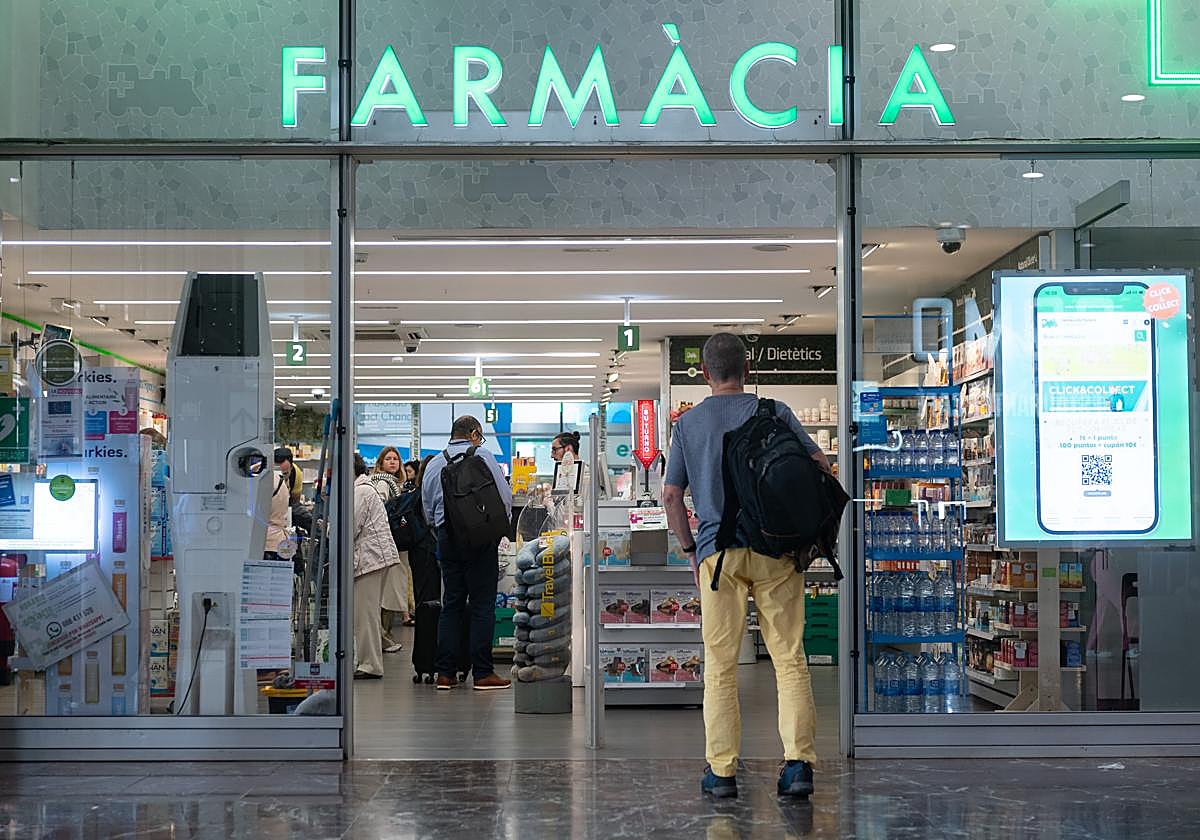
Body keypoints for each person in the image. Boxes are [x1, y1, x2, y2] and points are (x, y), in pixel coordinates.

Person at [661, 332, 830, 801]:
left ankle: (722, 772)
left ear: (703, 374)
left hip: (718, 556)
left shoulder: (688, 425)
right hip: (778, 552)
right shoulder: (775, 412)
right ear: (748, 370)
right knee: (789, 659)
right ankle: (798, 766)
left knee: (719, 665)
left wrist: (691, 548)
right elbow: (820, 467)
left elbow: (672, 495)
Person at [421, 416, 513, 691]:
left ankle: (445, 673)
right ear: (474, 433)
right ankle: (483, 672)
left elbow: (426, 508)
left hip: (447, 538)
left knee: (452, 603)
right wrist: (497, 529)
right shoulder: (483, 455)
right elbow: (504, 498)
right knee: (482, 605)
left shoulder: (435, 462)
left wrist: (442, 532)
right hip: (480, 537)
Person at [353, 452, 403, 680]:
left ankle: (370, 664)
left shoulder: (361, 491)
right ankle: (368, 660)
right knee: (368, 612)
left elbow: (351, 526)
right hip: (374, 557)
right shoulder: (364, 488)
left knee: (366, 613)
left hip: (369, 559)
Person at [370, 446, 413, 652]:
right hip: (386, 543)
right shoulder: (382, 483)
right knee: (388, 592)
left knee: (392, 591)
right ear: (381, 463)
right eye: (388, 459)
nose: (393, 462)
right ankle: (383, 636)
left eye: (396, 459)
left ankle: (385, 634)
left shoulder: (396, 484)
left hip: (393, 544)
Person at [265, 447, 295, 561]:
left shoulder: (265, 479)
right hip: (276, 543)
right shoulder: (277, 482)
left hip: (267, 542)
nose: (283, 475)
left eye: (285, 473)